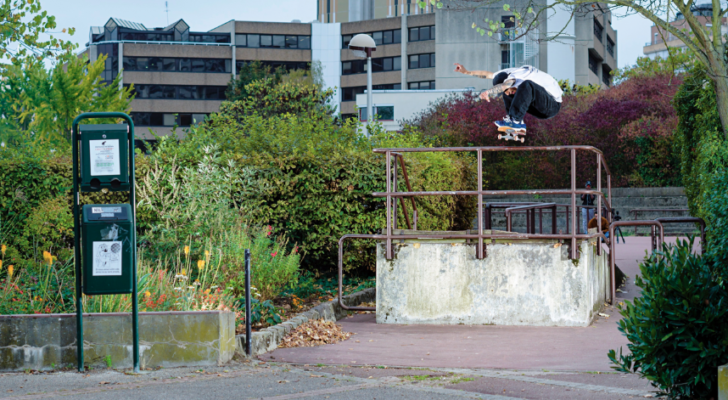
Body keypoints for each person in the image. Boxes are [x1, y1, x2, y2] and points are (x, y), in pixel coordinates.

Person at [453, 64, 563, 134]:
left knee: (527, 85)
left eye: (510, 89)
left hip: (552, 104)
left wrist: (489, 92)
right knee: (508, 93)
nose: (510, 93)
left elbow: (506, 85)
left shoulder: (516, 76)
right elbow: (488, 75)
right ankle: (516, 122)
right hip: (538, 107)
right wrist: (466, 72)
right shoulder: (505, 73)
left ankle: (515, 120)